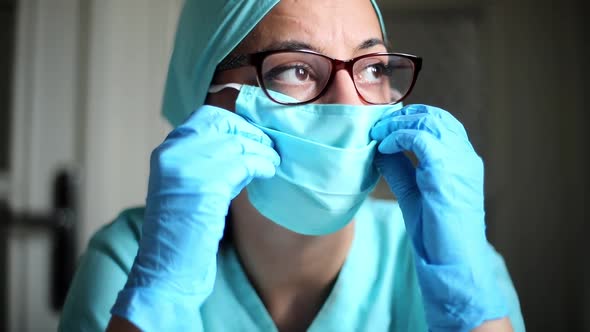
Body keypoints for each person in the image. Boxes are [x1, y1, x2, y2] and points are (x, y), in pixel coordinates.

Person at [59, 0, 525, 331]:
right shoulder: (130, 262)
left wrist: (472, 312)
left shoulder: (455, 262)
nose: (350, 102)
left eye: (372, 68)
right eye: (296, 69)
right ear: (206, 96)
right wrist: (159, 301)